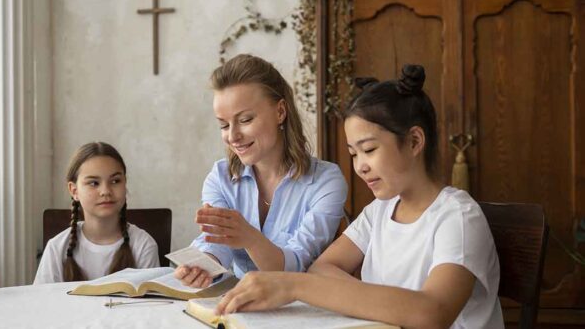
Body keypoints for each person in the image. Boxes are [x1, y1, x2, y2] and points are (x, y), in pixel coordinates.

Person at [214, 65, 504, 328]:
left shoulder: (458, 217)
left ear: (415, 141)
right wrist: (379, 304)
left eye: (369, 149)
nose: (360, 166)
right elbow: (322, 268)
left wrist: (294, 286)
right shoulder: (379, 211)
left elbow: (432, 313)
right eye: (354, 153)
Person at [174, 54, 347, 288]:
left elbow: (297, 265)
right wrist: (203, 266)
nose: (233, 136)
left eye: (245, 120)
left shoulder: (326, 181)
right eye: (224, 125)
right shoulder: (220, 177)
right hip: (239, 306)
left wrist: (250, 238)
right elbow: (216, 245)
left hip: (303, 310)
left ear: (280, 112)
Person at [34, 142, 159, 284]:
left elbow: (152, 303)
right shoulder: (56, 248)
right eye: (94, 183)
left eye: (115, 181)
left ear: (125, 184)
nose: (105, 191)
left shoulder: (143, 245)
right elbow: (42, 302)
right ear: (74, 191)